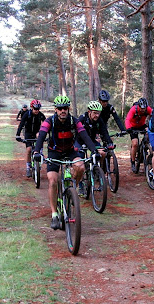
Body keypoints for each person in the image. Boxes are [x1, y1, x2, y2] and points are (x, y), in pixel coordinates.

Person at [33, 95, 100, 230]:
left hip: (70, 151)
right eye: (60, 108)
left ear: (68, 109)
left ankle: (72, 191)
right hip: (54, 152)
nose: (63, 111)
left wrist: (94, 151)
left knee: (80, 167)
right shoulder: (49, 121)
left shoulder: (74, 121)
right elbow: (41, 135)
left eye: (65, 108)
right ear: (56, 109)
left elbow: (84, 136)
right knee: (52, 180)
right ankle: (54, 214)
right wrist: (36, 152)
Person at [76, 100, 114, 195]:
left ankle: (98, 171)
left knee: (102, 153)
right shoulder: (82, 119)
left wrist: (109, 142)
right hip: (80, 141)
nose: (97, 115)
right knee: (80, 163)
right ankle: (80, 186)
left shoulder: (99, 120)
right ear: (89, 112)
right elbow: (75, 132)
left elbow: (104, 132)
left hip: (92, 141)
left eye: (98, 113)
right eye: (95, 113)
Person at [16, 99, 45, 177]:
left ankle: (40, 153)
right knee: (29, 149)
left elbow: (46, 124)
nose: (36, 111)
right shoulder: (26, 114)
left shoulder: (40, 115)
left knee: (39, 138)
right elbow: (21, 124)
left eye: (38, 109)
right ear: (32, 108)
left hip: (36, 132)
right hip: (28, 133)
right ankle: (28, 167)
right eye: (35, 109)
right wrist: (18, 135)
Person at [125, 97, 151, 170]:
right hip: (132, 126)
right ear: (138, 106)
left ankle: (145, 145)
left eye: (144, 109)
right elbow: (127, 120)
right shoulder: (133, 109)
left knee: (149, 133)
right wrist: (128, 129)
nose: (143, 110)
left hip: (142, 125)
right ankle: (133, 161)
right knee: (135, 143)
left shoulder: (148, 109)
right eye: (141, 108)